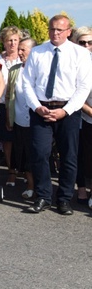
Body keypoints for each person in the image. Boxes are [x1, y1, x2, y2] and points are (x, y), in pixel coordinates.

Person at [21, 15, 92, 216]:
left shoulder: (80, 54)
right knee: (39, 153)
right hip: (41, 109)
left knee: (69, 156)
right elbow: (27, 83)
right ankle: (43, 196)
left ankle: (64, 199)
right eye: (52, 29)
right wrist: (36, 107)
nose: (55, 33)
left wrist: (65, 111)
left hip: (68, 111)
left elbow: (84, 86)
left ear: (69, 31)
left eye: (60, 30)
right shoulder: (37, 52)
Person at [5, 37, 36, 200]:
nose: (20, 52)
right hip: (18, 119)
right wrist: (9, 118)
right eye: (20, 49)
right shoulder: (14, 70)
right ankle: (29, 184)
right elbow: (10, 94)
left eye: (24, 49)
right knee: (22, 153)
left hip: (36, 120)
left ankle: (34, 186)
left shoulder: (39, 69)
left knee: (34, 154)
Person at [0, 26, 22, 186]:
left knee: (23, 140)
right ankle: (11, 171)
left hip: (21, 106)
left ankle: (25, 170)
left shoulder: (25, 58)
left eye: (15, 40)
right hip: (3, 106)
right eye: (9, 40)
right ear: (3, 42)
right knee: (7, 141)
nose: (12, 43)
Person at [73, 27, 92, 208]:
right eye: (82, 42)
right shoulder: (73, 62)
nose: (86, 46)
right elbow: (72, 91)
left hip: (89, 118)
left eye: (89, 42)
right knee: (78, 155)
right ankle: (81, 188)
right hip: (77, 114)